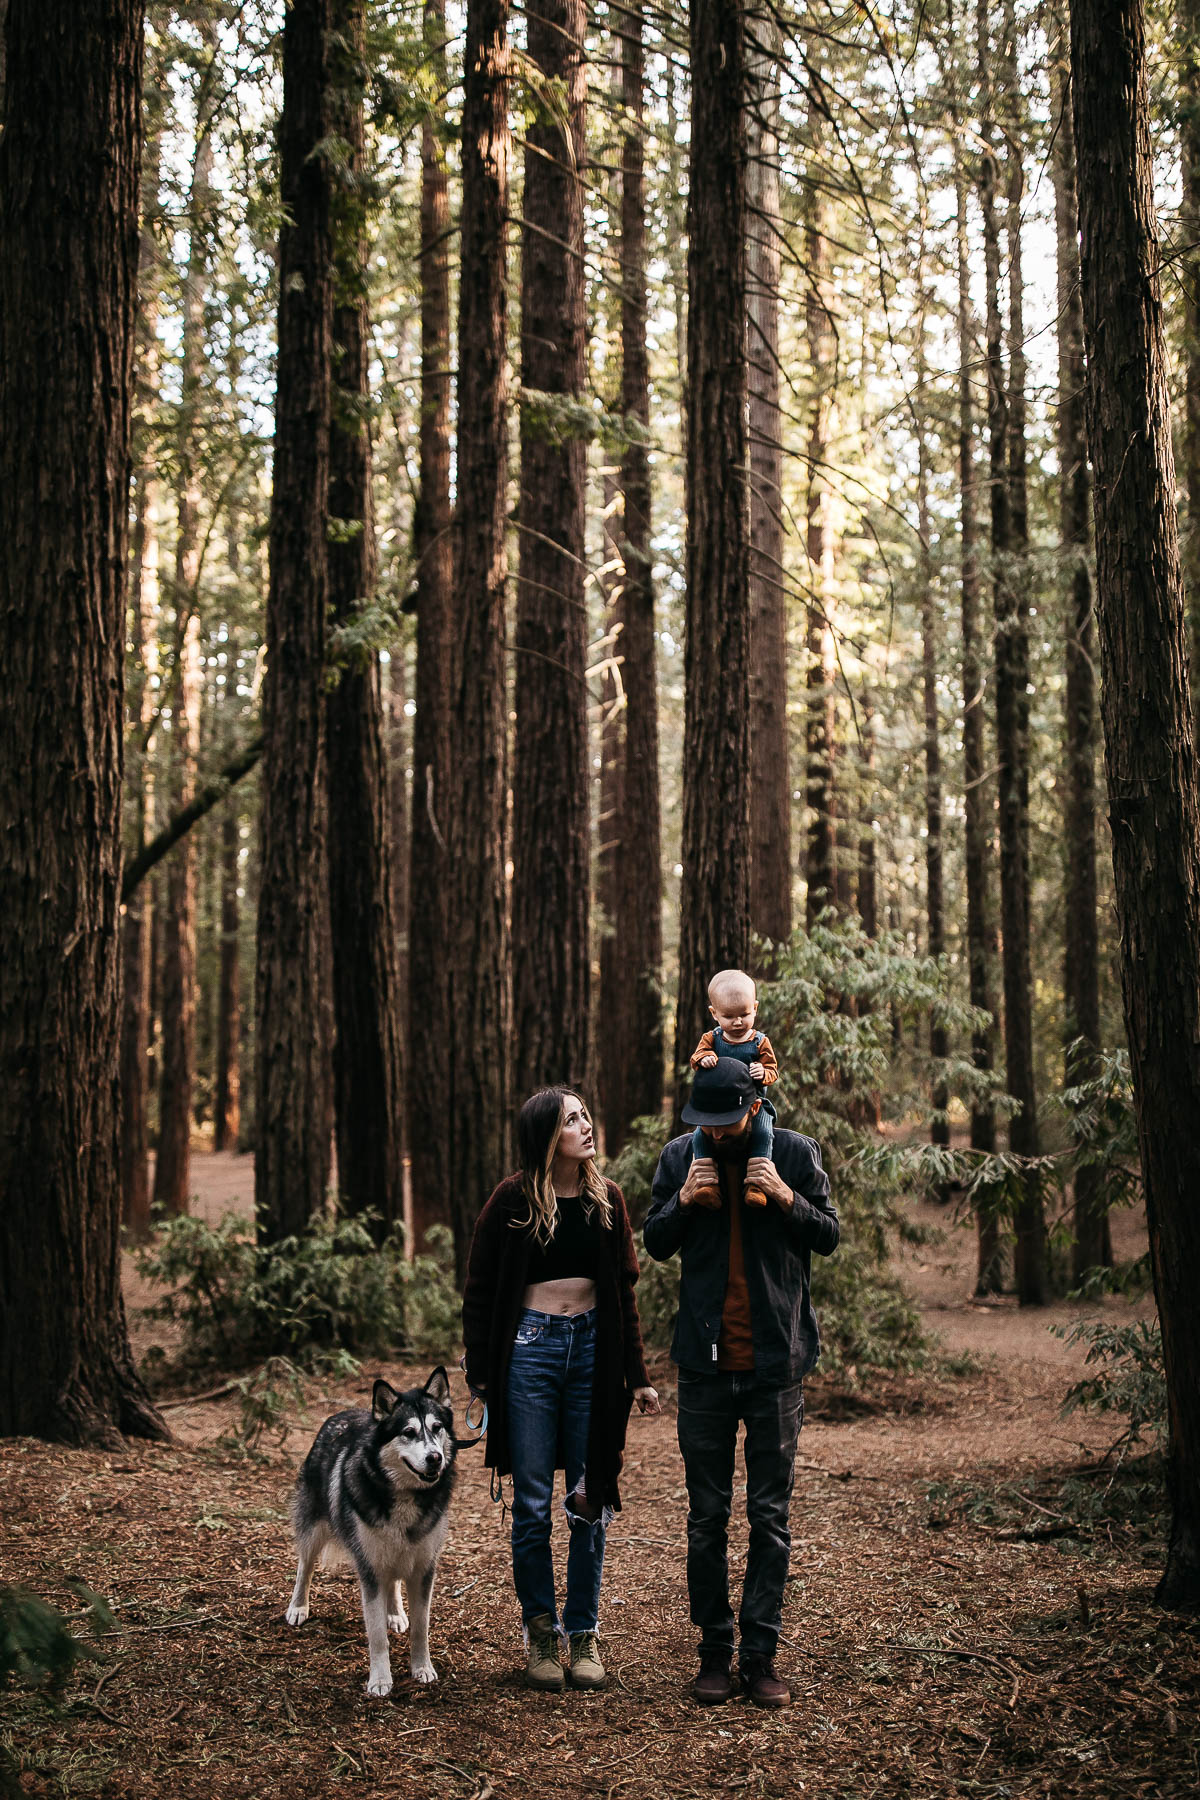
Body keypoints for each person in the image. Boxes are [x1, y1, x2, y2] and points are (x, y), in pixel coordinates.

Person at [644, 1057, 839, 1709]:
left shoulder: (794, 1153)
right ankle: (713, 1653)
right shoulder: (680, 1159)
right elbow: (655, 1241)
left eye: (727, 1120)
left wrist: (784, 1195)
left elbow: (829, 1235)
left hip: (775, 1368)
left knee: (769, 1518)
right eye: (706, 1120)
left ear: (753, 1107)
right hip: (702, 1369)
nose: (717, 1132)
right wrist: (682, 1201)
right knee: (706, 1518)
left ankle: (760, 1656)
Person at [461, 1087, 660, 1693]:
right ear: (548, 1136)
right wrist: (481, 1375)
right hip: (529, 1350)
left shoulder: (608, 1200)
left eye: (585, 1115)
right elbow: (480, 1291)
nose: (586, 1124)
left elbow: (623, 1295)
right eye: (572, 1119)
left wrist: (639, 1376)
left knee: (588, 1495)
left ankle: (584, 1633)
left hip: (595, 1350)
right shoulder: (511, 1202)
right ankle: (541, 1633)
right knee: (531, 1505)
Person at [688, 968, 780, 1206]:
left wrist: (763, 1072)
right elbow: (696, 1057)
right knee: (699, 1136)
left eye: (744, 1014)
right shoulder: (712, 1038)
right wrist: (705, 1058)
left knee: (763, 1133)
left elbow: (772, 1070)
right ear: (715, 1014)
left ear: (755, 1008)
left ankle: (756, 1185)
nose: (738, 1022)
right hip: (717, 1107)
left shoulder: (760, 1042)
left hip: (753, 1106)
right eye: (729, 1016)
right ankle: (707, 1185)